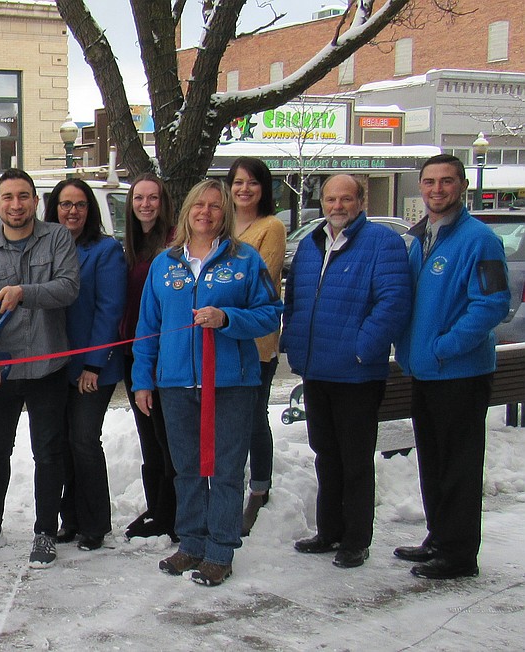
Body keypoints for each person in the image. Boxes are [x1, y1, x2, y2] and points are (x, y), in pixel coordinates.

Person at [131, 179, 281, 586]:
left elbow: (271, 313)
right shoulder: (166, 264)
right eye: (199, 205)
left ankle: (220, 551)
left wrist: (229, 319)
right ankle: (192, 543)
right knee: (187, 469)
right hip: (176, 385)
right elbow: (148, 327)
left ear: (225, 213)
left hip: (231, 384)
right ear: (186, 212)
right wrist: (143, 380)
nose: (206, 213)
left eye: (215, 206)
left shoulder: (245, 260)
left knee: (227, 470)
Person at [282, 174, 411, 569]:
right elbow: (298, 301)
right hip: (316, 368)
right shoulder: (310, 245)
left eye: (346, 199)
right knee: (326, 455)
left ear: (361, 200)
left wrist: (363, 349)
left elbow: (393, 302)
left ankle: (356, 538)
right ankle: (329, 530)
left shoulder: (382, 243)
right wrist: (294, 342)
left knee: (355, 460)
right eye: (330, 199)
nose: (337, 206)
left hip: (357, 373)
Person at [394, 154, 510, 580]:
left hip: (460, 372)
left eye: (446, 182)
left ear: (462, 186)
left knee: (459, 465)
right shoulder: (419, 238)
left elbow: (493, 303)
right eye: (429, 182)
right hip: (424, 371)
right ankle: (439, 537)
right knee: (434, 460)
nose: (436, 190)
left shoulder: (480, 240)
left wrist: (444, 347)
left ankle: (459, 553)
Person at [0, 168, 80, 569]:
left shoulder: (58, 238)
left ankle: (45, 531)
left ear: (35, 201)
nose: (16, 204)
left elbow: (67, 288)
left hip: (48, 364)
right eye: (8, 197)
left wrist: (23, 293)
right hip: (3, 371)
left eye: (24, 196)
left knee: (48, 451)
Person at [44, 179, 126, 551]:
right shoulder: (47, 246)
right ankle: (70, 519)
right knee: (61, 444)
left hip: (93, 368)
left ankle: (95, 523)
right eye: (65, 204)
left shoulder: (105, 251)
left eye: (79, 204)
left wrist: (93, 364)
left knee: (84, 440)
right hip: (56, 365)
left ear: (90, 209)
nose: (72, 211)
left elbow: (109, 310)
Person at [224, 157, 286, 536]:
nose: (244, 189)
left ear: (264, 188)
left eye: (252, 183)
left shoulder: (271, 227)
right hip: (219, 338)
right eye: (237, 182)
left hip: (256, 341)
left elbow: (258, 281)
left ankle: (259, 488)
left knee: (253, 417)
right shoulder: (223, 224)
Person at [119, 174, 178, 541]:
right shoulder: (130, 244)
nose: (145, 204)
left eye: (152, 198)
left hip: (161, 350)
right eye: (139, 198)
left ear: (163, 202)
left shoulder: (172, 244)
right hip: (132, 351)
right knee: (148, 436)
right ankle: (156, 507)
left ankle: (172, 514)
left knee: (165, 435)